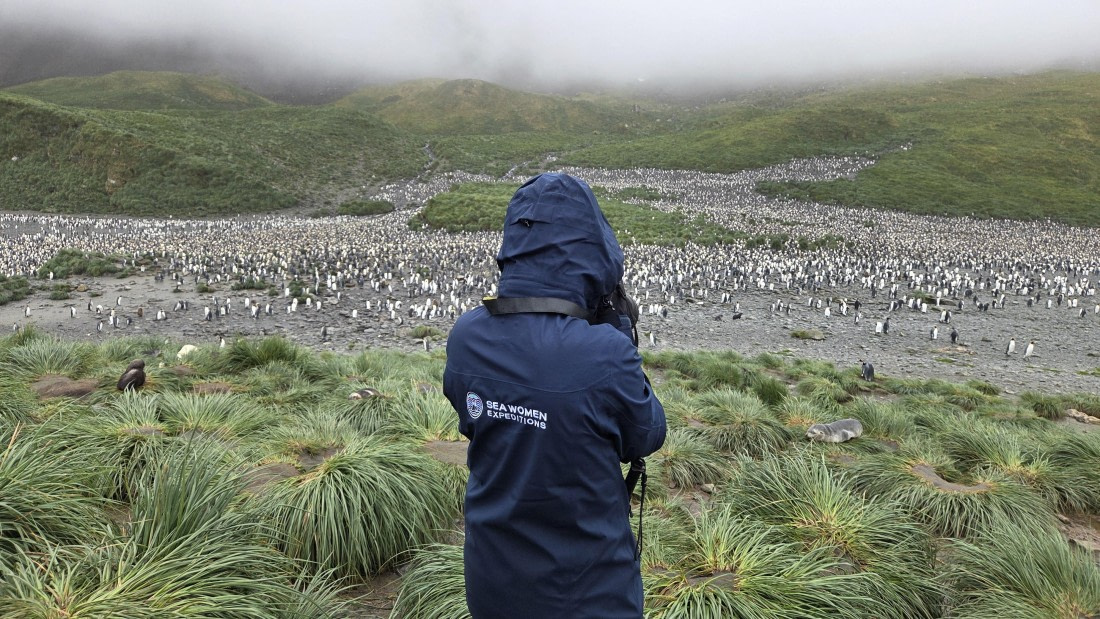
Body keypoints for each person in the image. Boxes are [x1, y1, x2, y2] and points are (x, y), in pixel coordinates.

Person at [443, 173, 667, 618]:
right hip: (586, 595)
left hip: (492, 582)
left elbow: (472, 421)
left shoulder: (467, 335)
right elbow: (647, 435)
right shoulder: (603, 354)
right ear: (593, 251)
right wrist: (617, 333)